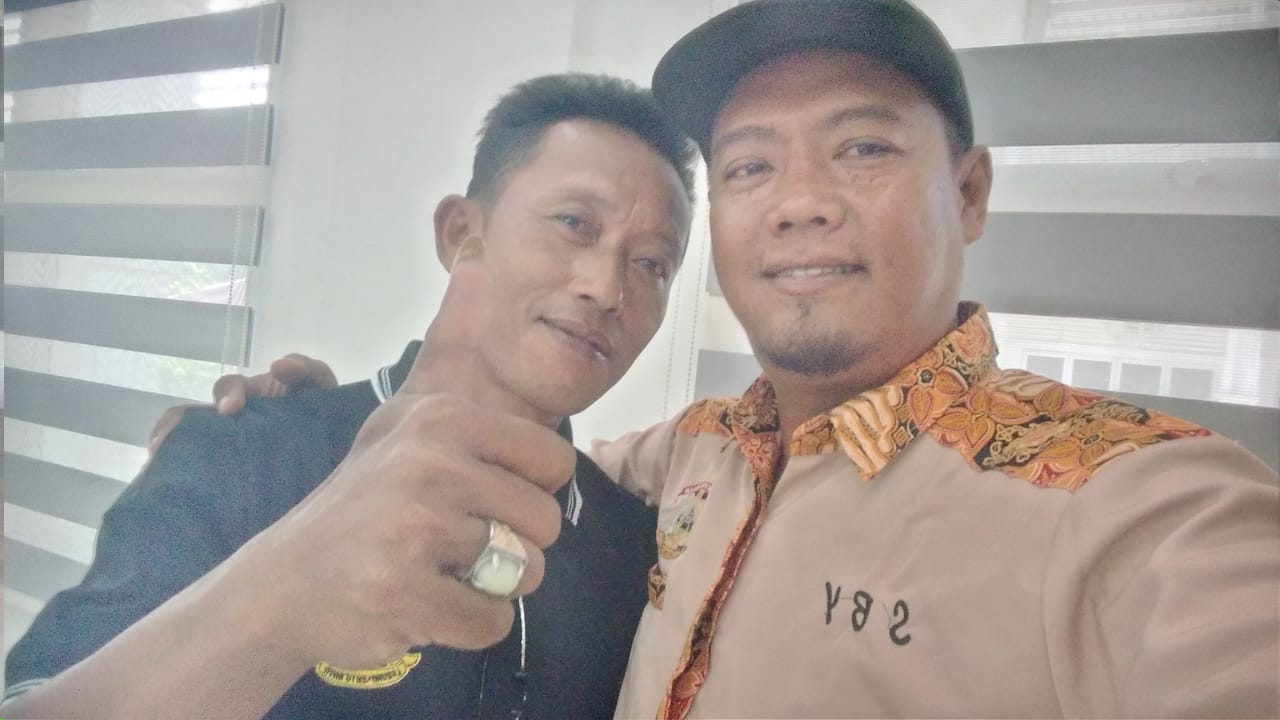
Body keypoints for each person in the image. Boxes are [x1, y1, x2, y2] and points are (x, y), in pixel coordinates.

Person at [178, 1, 1280, 718]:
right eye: (749, 167)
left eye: (860, 147)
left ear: (970, 192)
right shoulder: (689, 460)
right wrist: (303, 422)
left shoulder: (1144, 506)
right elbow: (506, 455)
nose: (798, 204)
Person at [2, 73, 696, 719]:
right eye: (574, 223)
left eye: (651, 263)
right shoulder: (245, 452)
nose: (607, 288)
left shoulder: (635, 553)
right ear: (462, 234)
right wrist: (274, 602)